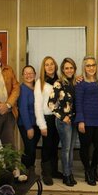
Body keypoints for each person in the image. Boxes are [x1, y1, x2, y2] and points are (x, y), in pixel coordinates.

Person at [74, 56, 98, 186]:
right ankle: (88, 171)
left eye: (93, 65)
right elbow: (78, 102)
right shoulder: (80, 82)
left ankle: (93, 168)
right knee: (85, 147)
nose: (91, 68)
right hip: (85, 120)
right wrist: (81, 120)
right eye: (88, 65)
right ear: (84, 67)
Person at [48, 57, 78, 187]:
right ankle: (66, 175)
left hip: (74, 120)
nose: (69, 70)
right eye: (66, 68)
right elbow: (51, 104)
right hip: (63, 121)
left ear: (75, 69)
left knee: (71, 148)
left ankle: (69, 172)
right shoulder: (58, 83)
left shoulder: (76, 83)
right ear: (62, 70)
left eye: (71, 67)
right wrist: (62, 117)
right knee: (65, 149)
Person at [34, 56, 61, 185]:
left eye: (52, 64)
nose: (50, 67)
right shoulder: (40, 83)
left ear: (55, 66)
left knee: (55, 145)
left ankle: (54, 170)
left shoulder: (60, 81)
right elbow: (37, 105)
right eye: (47, 65)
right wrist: (42, 125)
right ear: (43, 68)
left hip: (58, 117)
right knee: (47, 146)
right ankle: (46, 173)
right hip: (47, 118)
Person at [17, 65, 41, 172]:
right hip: (26, 124)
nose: (28, 75)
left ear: (35, 74)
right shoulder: (22, 89)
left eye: (31, 73)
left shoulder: (37, 88)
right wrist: (29, 128)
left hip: (37, 124)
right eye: (26, 73)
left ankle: (30, 171)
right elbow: (23, 110)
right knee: (30, 148)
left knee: (31, 148)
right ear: (22, 76)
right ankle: (24, 172)